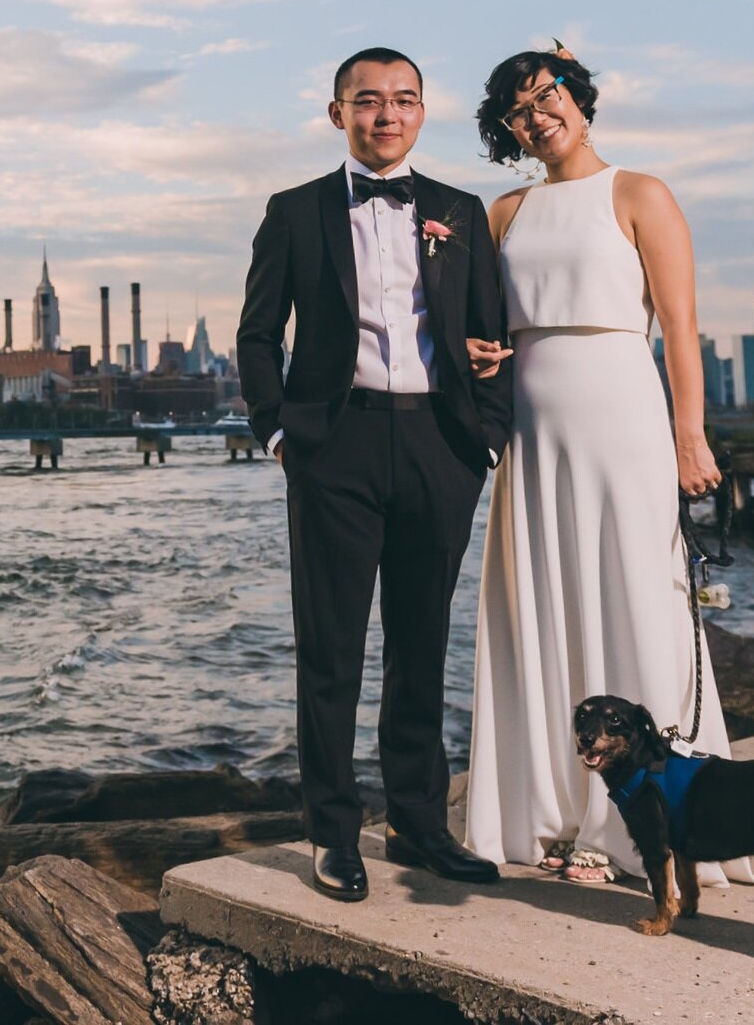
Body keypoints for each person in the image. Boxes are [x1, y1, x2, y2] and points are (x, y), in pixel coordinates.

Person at [461, 44, 754, 889]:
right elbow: (490, 327)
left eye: (547, 96)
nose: (537, 116)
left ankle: (655, 820)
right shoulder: (504, 213)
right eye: (518, 111)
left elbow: (679, 324)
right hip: (533, 432)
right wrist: (484, 354)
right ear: (506, 130)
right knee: (539, 604)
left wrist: (689, 435)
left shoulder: (640, 193)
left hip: (625, 418)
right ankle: (548, 815)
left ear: (579, 99)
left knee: (634, 593)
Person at [237, 46, 513, 901]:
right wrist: (280, 437)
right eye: (366, 102)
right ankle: (332, 832)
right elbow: (256, 336)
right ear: (337, 115)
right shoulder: (293, 211)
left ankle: (421, 825)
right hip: (336, 448)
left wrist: (487, 441)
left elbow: (494, 334)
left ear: (422, 113)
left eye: (401, 101)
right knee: (332, 652)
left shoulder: (461, 211)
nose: (384, 115)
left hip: (440, 445)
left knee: (424, 645)